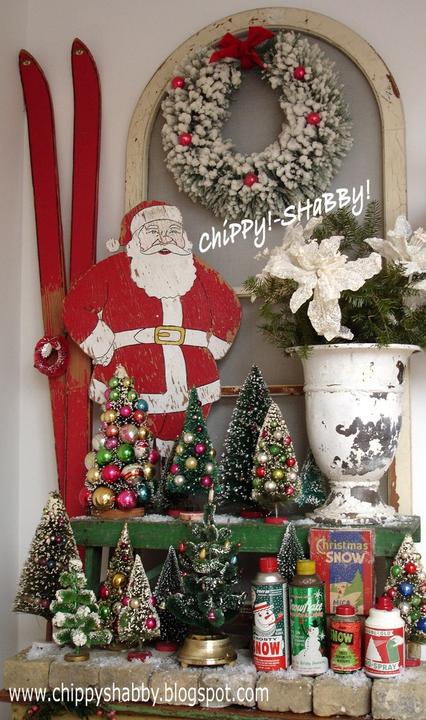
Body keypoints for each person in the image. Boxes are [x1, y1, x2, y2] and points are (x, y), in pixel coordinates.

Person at [63, 200, 241, 449]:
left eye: (172, 231)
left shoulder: (198, 272)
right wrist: (101, 344)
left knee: (186, 452)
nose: (164, 239)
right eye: (153, 232)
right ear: (135, 239)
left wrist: (214, 343)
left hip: (193, 377)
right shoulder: (112, 270)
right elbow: (75, 306)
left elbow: (228, 305)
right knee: (129, 452)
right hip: (131, 378)